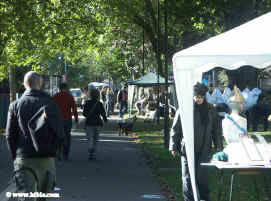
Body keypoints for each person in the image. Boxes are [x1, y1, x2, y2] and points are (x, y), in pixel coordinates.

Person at [6, 71, 65, 201]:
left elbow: (10, 135)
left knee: (26, 197)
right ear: (40, 83)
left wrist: (15, 156)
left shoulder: (15, 105)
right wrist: (53, 151)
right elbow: (60, 133)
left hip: (24, 157)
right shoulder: (50, 104)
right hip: (46, 158)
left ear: (25, 84)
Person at [169, 82, 218, 201]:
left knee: (203, 178)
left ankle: (204, 198)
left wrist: (218, 146)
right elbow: (176, 129)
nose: (199, 99)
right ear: (193, 96)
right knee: (187, 178)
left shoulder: (211, 109)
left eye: (201, 96)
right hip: (187, 149)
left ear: (204, 96)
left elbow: (216, 130)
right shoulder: (185, 109)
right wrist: (173, 147)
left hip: (204, 148)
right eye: (196, 96)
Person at [53, 83, 78, 160]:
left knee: (57, 136)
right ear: (66, 88)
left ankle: (58, 151)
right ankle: (65, 154)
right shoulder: (69, 96)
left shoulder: (55, 96)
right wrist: (76, 118)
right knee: (67, 136)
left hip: (57, 120)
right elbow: (74, 108)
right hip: (67, 119)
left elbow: (50, 107)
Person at [83, 88, 108, 160]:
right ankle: (93, 151)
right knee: (96, 138)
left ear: (90, 95)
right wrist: (105, 120)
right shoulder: (99, 103)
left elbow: (84, 114)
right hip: (97, 123)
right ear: (97, 95)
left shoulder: (87, 103)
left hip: (89, 123)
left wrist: (88, 115)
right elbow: (103, 113)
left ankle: (90, 148)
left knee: (90, 137)